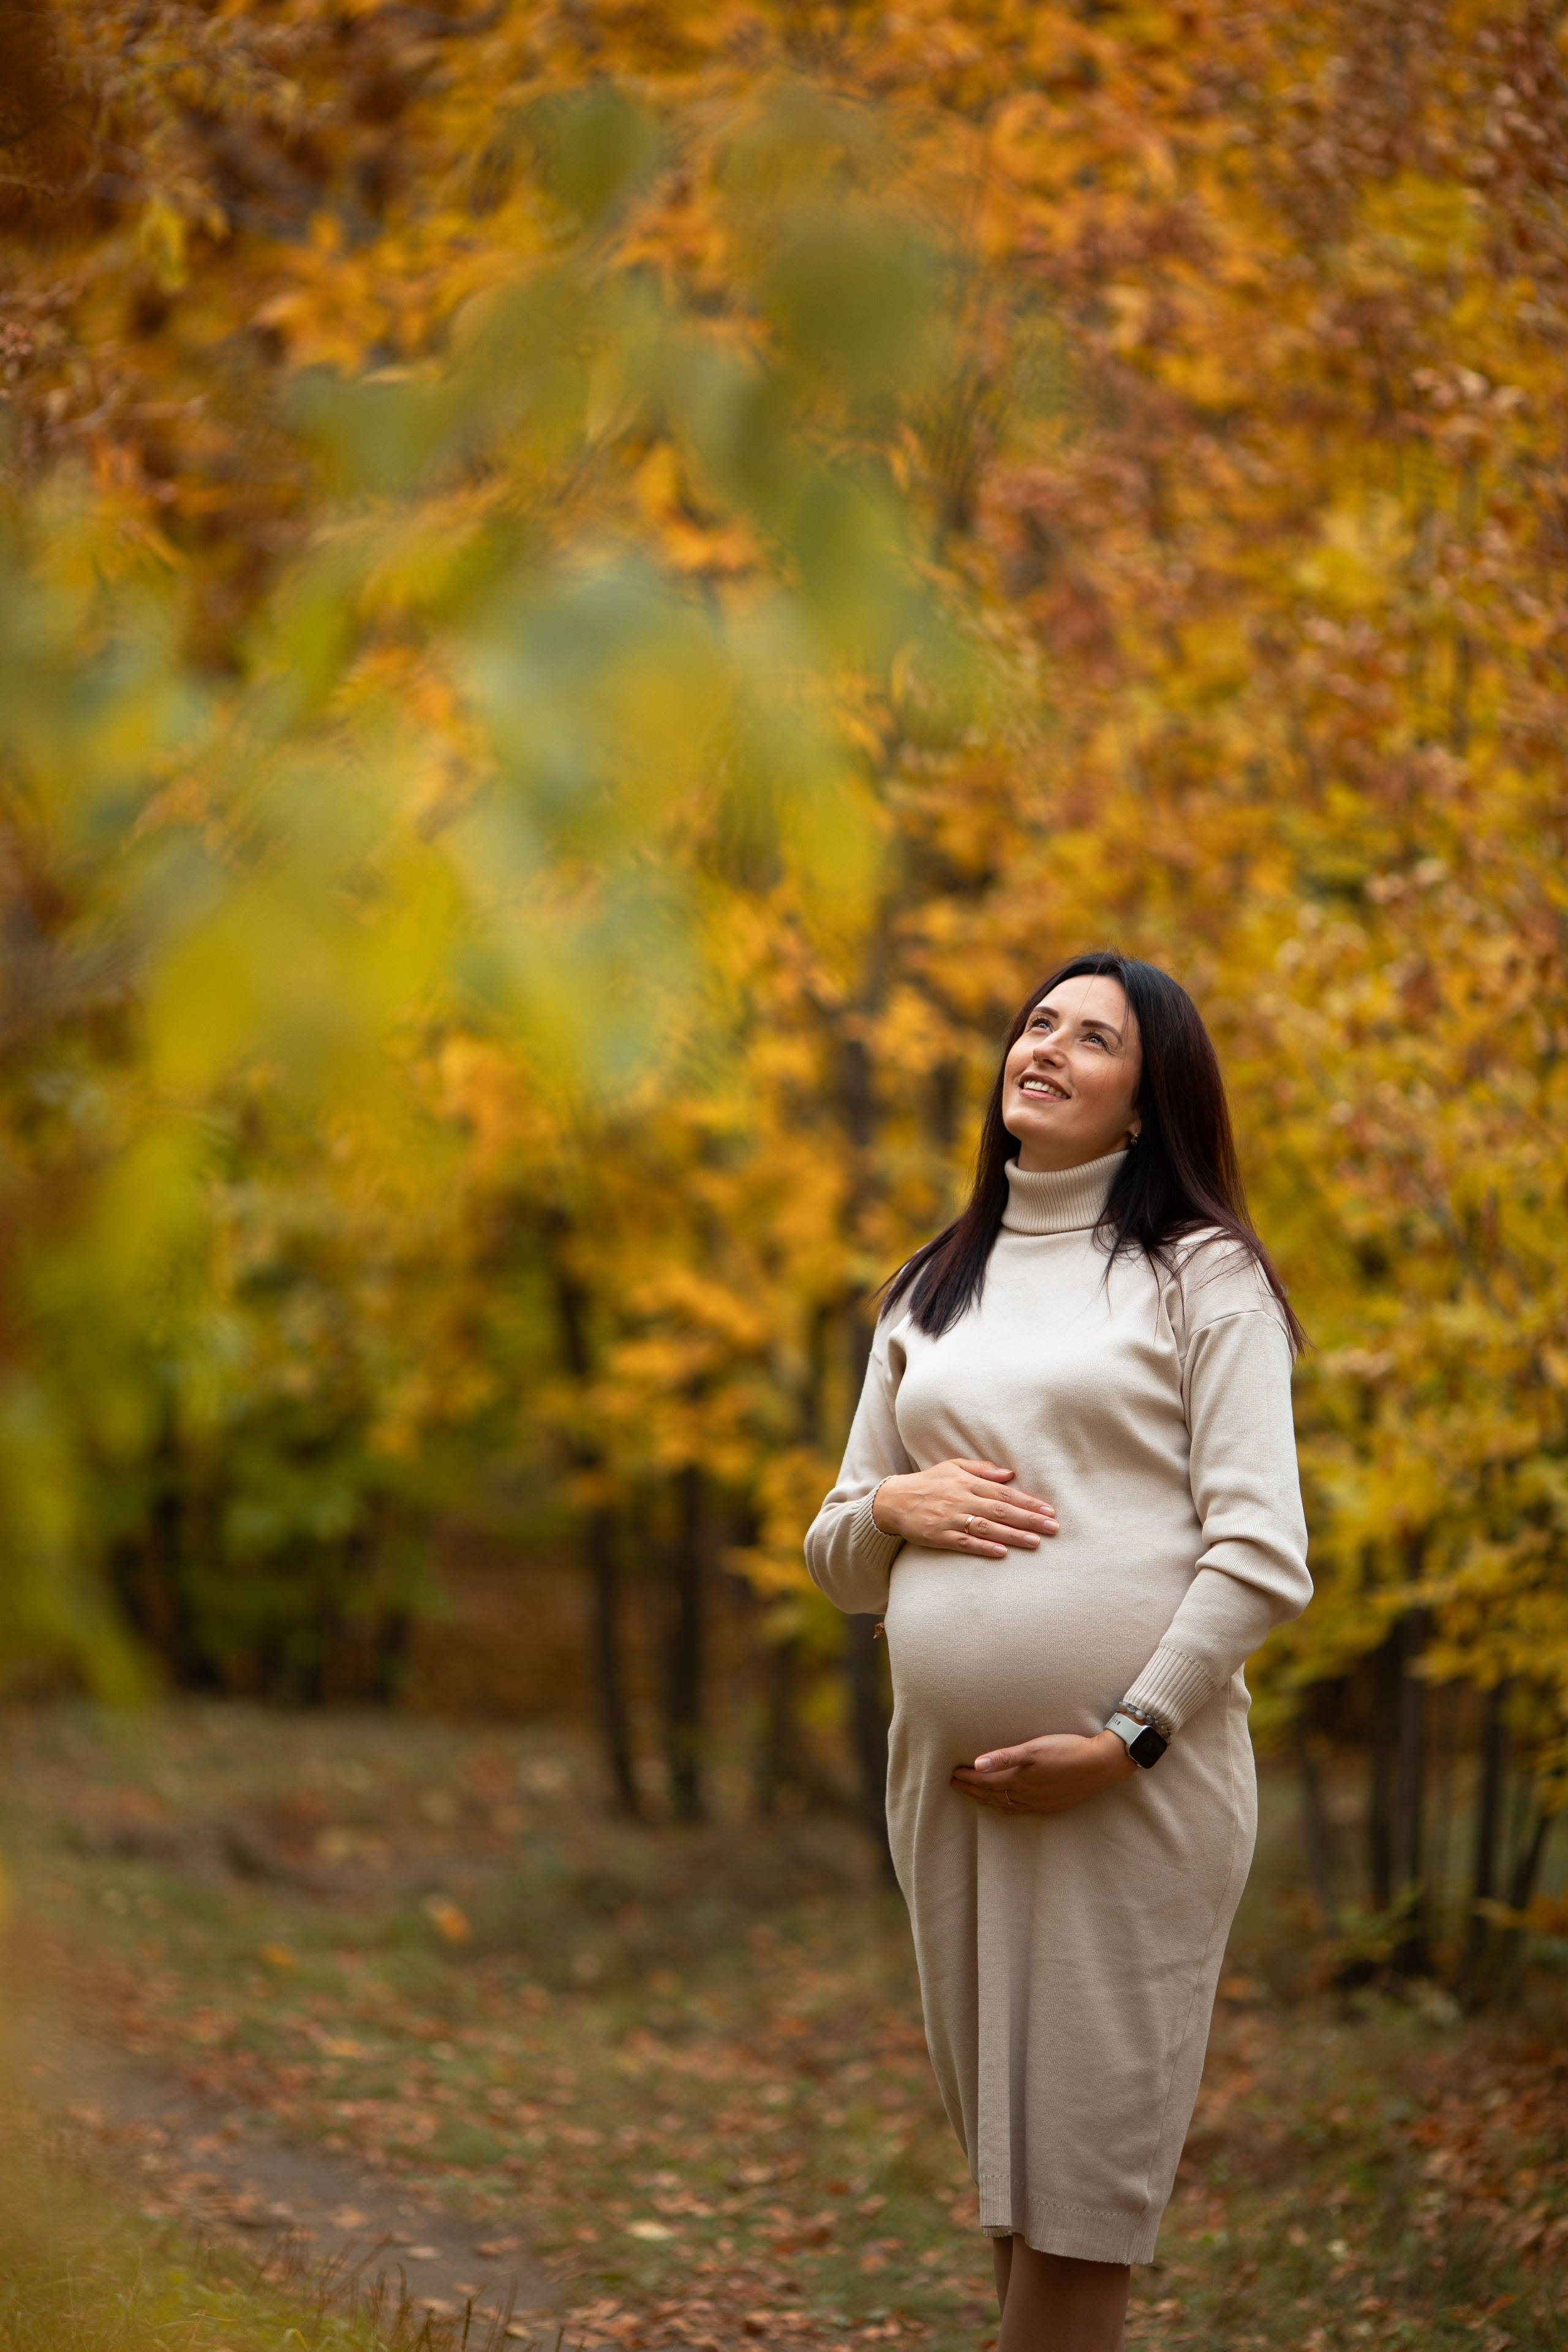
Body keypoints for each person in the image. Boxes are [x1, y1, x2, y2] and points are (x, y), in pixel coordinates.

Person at [804, 951, 1311, 2352]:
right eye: (1036, 1024)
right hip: (953, 1796)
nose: (1045, 1050)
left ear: (1145, 1106)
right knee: (1017, 2198)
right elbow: (836, 1550)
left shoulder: (1197, 1277)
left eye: (1092, 1041)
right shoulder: (934, 1285)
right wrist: (891, 1506)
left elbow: (1261, 1551)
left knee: (1084, 2192)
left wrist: (1124, 1739)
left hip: (1128, 1791)